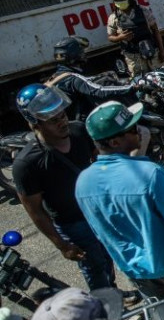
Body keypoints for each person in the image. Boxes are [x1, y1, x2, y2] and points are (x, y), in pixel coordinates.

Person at [76, 101, 164, 299]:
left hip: (137, 273)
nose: (140, 131)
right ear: (115, 142)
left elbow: (103, 233)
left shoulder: (83, 182)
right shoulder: (150, 174)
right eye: (132, 129)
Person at [12, 84, 116, 291]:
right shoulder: (26, 164)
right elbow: (36, 212)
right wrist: (61, 245)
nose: (62, 122)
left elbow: (98, 160)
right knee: (93, 266)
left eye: (62, 115)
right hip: (72, 224)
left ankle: (115, 292)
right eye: (53, 120)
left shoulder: (78, 130)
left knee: (108, 255)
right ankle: (106, 307)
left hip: (97, 211)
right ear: (35, 123)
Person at [47, 36, 138, 121]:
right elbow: (100, 91)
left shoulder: (55, 77)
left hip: (67, 121)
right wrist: (133, 87)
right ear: (74, 55)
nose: (84, 54)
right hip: (83, 122)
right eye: (81, 51)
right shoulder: (73, 78)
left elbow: (88, 80)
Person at [106, 0, 164, 76]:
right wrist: (120, 37)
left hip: (152, 53)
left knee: (163, 77)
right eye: (117, 0)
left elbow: (155, 31)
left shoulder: (143, 11)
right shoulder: (113, 18)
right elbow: (110, 37)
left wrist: (162, 51)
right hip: (133, 58)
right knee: (141, 83)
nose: (120, 2)